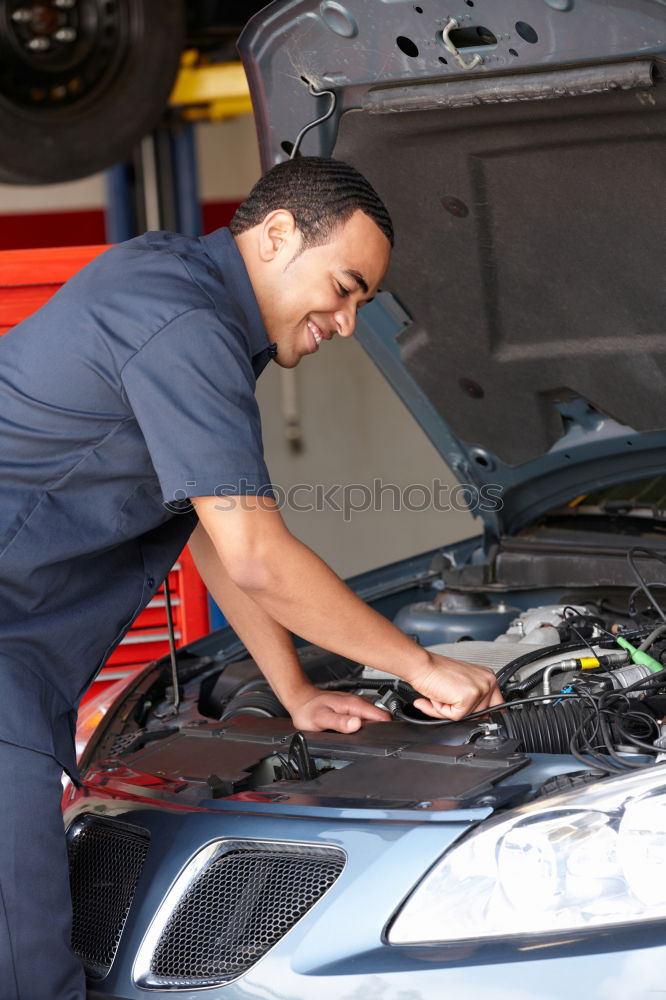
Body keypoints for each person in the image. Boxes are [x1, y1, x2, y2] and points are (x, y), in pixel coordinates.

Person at [0, 156, 501, 999]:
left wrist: (295, 693)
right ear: (275, 235)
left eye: (361, 303)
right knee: (27, 971)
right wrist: (419, 666)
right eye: (344, 287)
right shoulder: (181, 322)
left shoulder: (185, 298)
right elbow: (256, 555)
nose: (347, 322)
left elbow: (204, 528)